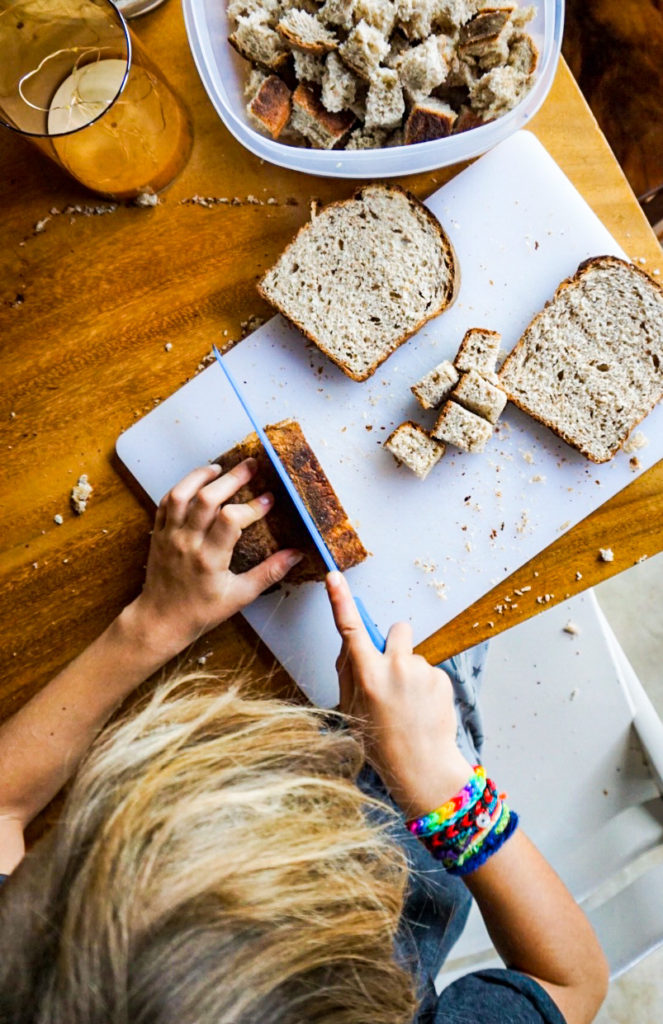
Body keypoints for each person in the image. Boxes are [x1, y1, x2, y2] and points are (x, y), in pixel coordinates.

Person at [0, 460, 609, 1023]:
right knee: (433, 634)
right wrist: (438, 781)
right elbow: (572, 983)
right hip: (417, 832)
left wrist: (154, 624)